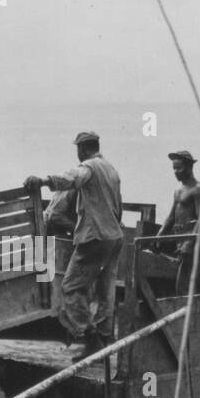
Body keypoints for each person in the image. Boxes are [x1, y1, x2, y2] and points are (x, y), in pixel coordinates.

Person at [24, 132, 123, 361]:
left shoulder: (88, 167)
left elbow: (72, 178)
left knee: (70, 287)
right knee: (106, 290)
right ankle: (104, 338)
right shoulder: (111, 170)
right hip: (115, 237)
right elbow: (118, 205)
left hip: (95, 237)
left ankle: (90, 338)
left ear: (82, 149)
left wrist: (43, 180)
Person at [159, 149, 200, 293]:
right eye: (174, 168)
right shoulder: (178, 191)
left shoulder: (198, 189)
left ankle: (187, 306)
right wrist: (159, 235)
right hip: (180, 239)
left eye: (179, 168)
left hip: (193, 241)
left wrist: (189, 242)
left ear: (190, 167)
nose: (176, 172)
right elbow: (171, 217)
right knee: (187, 279)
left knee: (184, 281)